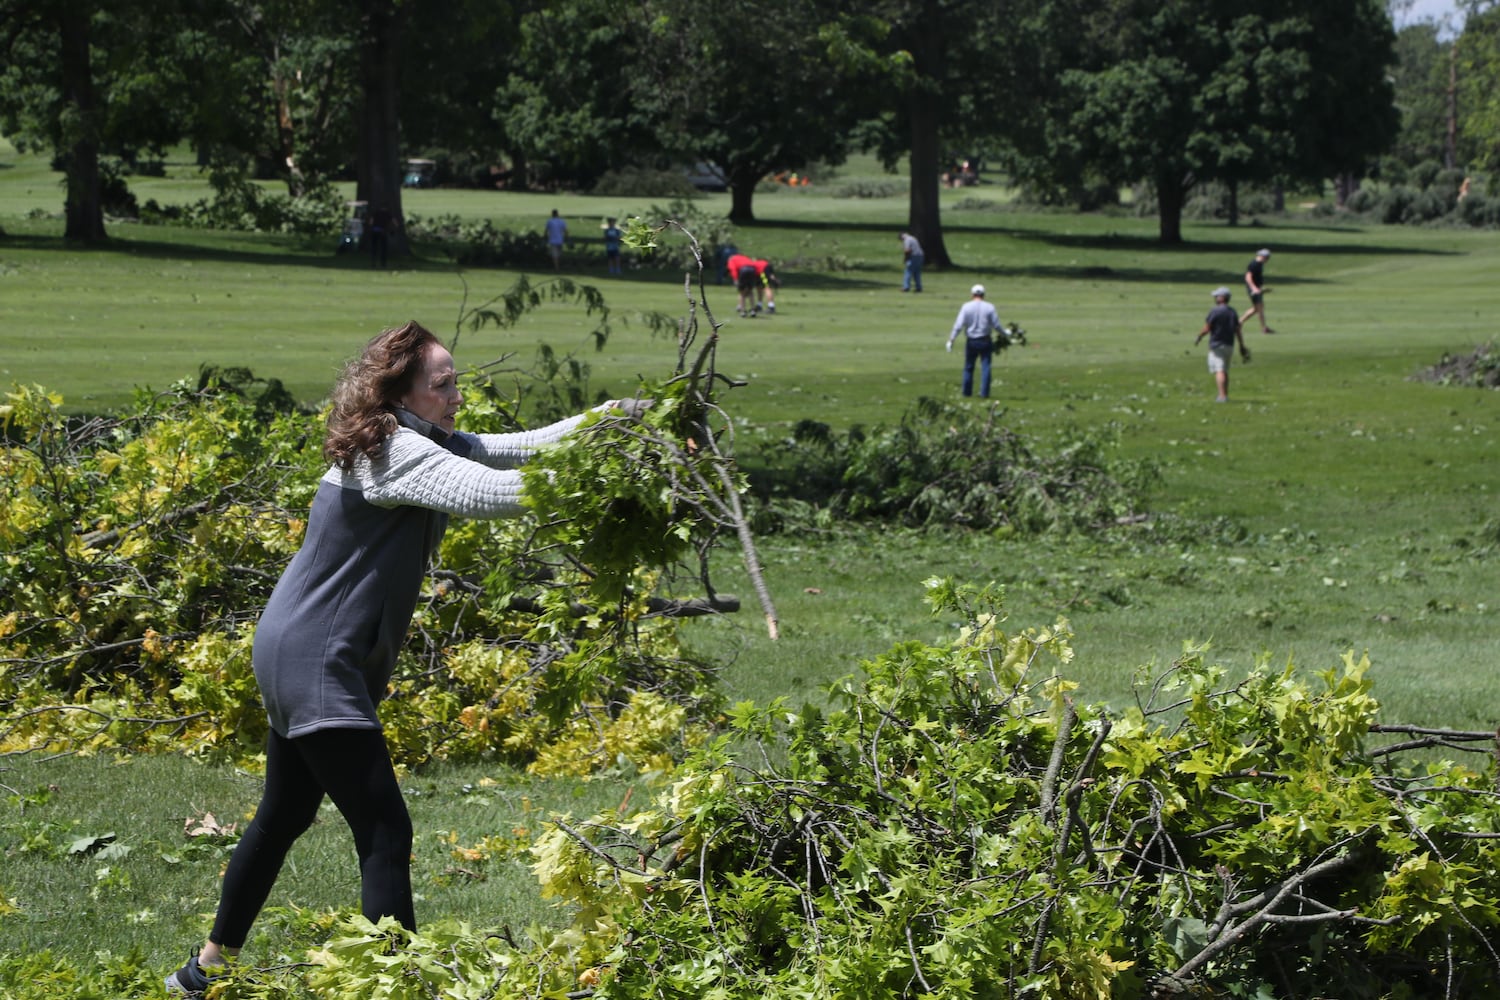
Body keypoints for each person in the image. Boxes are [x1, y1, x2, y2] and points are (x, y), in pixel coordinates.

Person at [164, 322, 637, 997]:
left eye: (455, 380)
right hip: (317, 658)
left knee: (284, 815)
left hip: (294, 647)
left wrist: (612, 422)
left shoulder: (415, 438)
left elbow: (515, 450)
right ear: (401, 394)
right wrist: (598, 480)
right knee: (385, 829)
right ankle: (398, 984)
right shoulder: (393, 452)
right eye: (442, 384)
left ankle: (201, 974)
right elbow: (487, 492)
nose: (457, 396)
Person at [946, 283, 1002, 397]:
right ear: (983, 295)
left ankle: (967, 393)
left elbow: (958, 325)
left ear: (972, 294)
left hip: (972, 341)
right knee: (986, 367)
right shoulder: (990, 307)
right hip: (985, 340)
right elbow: (996, 325)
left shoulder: (966, 307)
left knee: (968, 367)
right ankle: (984, 393)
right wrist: (1005, 334)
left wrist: (951, 339)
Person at [1196, 286, 1250, 402]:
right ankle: (1224, 394)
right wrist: (1241, 345)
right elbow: (1237, 330)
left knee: (1219, 370)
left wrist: (1199, 336)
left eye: (1217, 296)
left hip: (1217, 345)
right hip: (1229, 345)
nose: (1215, 298)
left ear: (1222, 298)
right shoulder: (1232, 312)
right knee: (1224, 370)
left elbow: (1207, 328)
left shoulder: (1215, 311)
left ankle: (1222, 396)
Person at [1240, 248, 1274, 334]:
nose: (1268, 259)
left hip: (1257, 289)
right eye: (1267, 257)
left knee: (1256, 309)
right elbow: (1248, 277)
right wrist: (1254, 288)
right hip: (1253, 290)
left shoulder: (1259, 264)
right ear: (1263, 256)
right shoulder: (1254, 264)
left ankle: (1238, 322)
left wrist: (1261, 288)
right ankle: (1264, 328)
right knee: (1260, 308)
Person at [726, 250, 760, 316]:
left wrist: (735, 279)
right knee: (750, 291)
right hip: (752, 270)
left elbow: (733, 269)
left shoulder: (731, 259)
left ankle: (743, 311)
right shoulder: (744, 257)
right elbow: (753, 264)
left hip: (744, 270)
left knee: (742, 292)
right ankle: (753, 310)